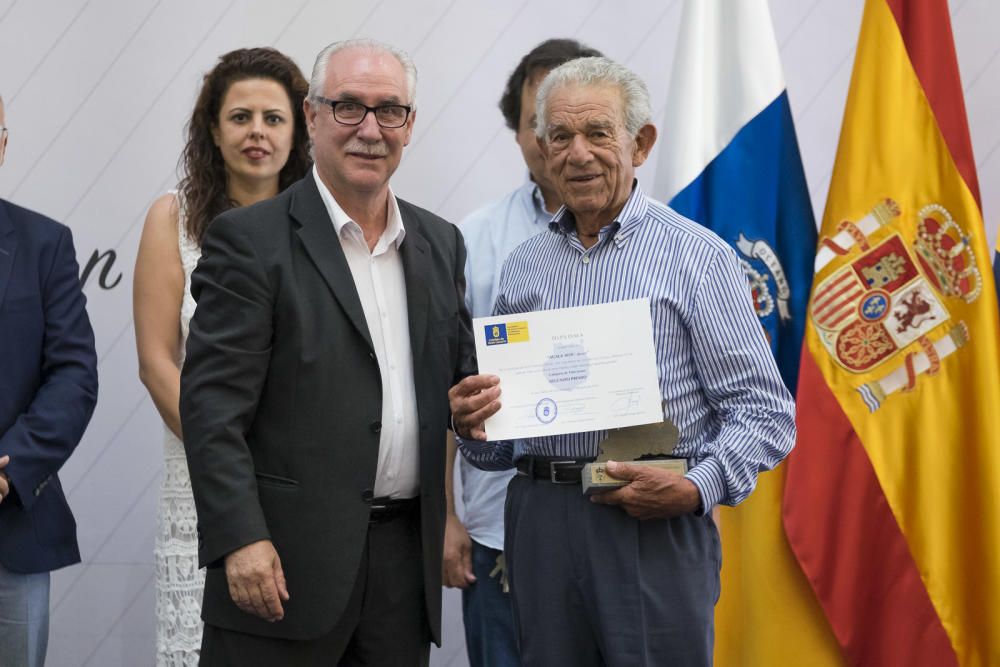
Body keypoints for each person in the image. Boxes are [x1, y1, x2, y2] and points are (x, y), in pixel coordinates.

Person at [450, 57, 796, 666]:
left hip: (651, 520)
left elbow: (766, 413)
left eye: (598, 133)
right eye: (559, 136)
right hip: (539, 521)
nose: (577, 154)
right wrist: (474, 425)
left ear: (641, 144)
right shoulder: (524, 265)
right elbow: (502, 441)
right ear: (540, 147)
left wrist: (697, 486)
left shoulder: (697, 256)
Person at [179, 38, 475, 665]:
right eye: (348, 107)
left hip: (401, 576)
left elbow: (457, 383)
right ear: (312, 117)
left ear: (410, 125)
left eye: (389, 110)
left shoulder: (440, 242)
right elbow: (210, 411)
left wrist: (485, 407)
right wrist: (241, 539)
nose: (370, 129)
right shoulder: (248, 241)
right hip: (280, 569)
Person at [133, 47, 311, 665]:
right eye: (240, 117)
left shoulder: (323, 225)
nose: (257, 132)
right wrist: (229, 462)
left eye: (273, 117)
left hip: (305, 484)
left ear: (301, 128)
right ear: (213, 129)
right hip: (204, 482)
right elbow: (157, 363)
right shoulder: (174, 218)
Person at [443, 38, 601, 667]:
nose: (561, 141)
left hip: (619, 519)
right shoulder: (471, 241)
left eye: (581, 125)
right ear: (518, 132)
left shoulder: (664, 245)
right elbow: (447, 385)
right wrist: (445, 517)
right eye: (544, 123)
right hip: (496, 523)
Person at [0, 94, 99, 667]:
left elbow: (74, 375)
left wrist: (7, 471)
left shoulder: (44, 244)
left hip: (8, 526)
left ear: (4, 145)